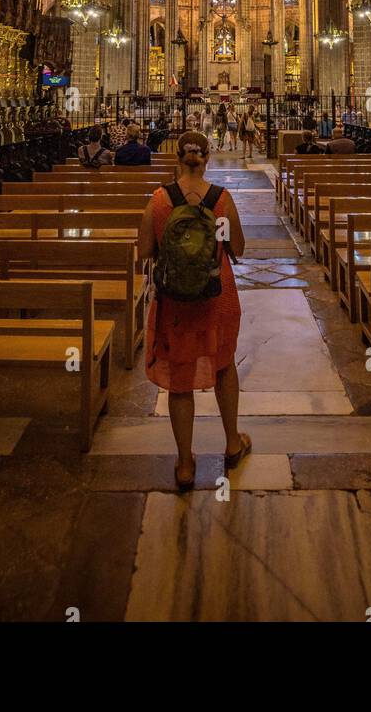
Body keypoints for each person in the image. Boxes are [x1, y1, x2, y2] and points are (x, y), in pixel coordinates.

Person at [138, 132, 249, 490]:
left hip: (176, 303)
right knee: (223, 364)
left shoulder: (159, 200)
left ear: (177, 158)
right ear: (206, 158)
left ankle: (185, 464)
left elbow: (143, 251)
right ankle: (232, 442)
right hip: (218, 296)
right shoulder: (220, 199)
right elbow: (239, 248)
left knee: (180, 378)